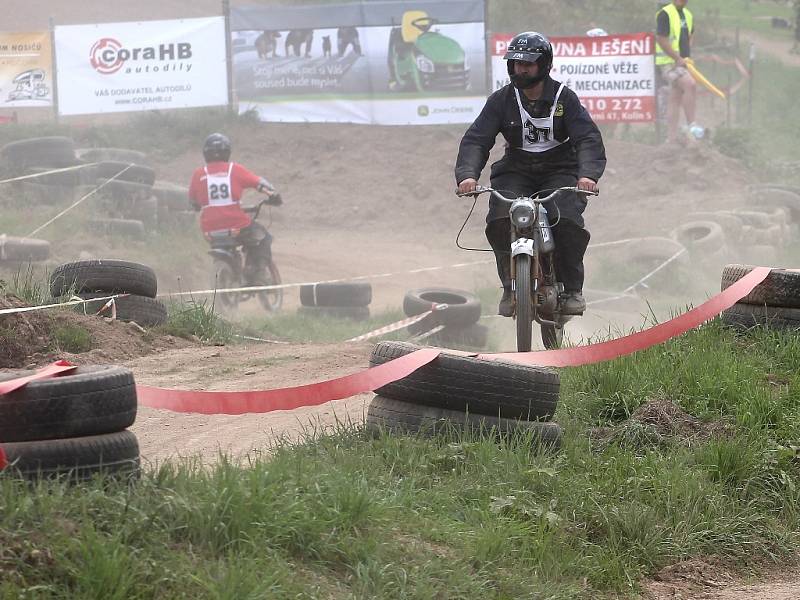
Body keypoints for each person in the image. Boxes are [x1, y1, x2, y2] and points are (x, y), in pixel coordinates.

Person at [455, 31, 606, 317]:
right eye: (515, 64)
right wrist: (467, 175)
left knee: (568, 222)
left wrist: (588, 176)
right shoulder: (501, 100)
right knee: (500, 219)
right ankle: (510, 288)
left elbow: (587, 139)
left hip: (561, 169)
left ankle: (573, 289)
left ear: (544, 65)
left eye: (528, 64)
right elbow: (477, 139)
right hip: (516, 169)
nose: (520, 69)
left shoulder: (565, 98)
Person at [189, 133, 281, 279]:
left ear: (205, 152)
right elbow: (259, 183)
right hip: (236, 224)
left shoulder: (198, 174)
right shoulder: (234, 169)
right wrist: (272, 195)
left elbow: (193, 201)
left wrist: (197, 206)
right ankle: (258, 271)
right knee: (263, 237)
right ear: (227, 152)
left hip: (210, 229)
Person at [656, 0, 700, 143]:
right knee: (690, 84)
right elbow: (661, 40)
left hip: (682, 63)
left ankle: (671, 138)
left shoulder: (688, 15)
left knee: (675, 97)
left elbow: (690, 35)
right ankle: (692, 126)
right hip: (668, 63)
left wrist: (686, 54)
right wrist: (677, 57)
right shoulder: (665, 14)